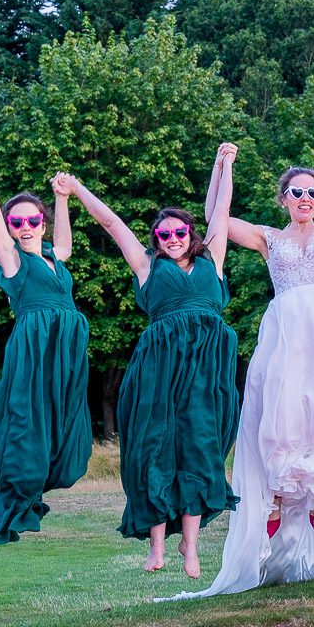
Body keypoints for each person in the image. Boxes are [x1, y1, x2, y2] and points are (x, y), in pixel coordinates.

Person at [162, 153, 314, 601]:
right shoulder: (268, 239)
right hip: (285, 336)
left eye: (312, 191)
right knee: (280, 423)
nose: (306, 198)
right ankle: (274, 514)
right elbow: (214, 217)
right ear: (284, 199)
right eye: (296, 192)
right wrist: (222, 166)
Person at [57, 144, 241, 578]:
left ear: (190, 235)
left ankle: (191, 547)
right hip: (159, 371)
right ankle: (157, 546)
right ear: (156, 241)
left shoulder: (212, 258)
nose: (173, 239)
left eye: (180, 233)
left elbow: (222, 208)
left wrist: (225, 164)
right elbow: (111, 222)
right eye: (165, 235)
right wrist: (78, 188)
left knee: (200, 449)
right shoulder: (146, 267)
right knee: (155, 448)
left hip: (206, 370)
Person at [0, 103, 92, 545]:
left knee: (65, 446)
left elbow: (64, 240)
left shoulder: (54, 258)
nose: (25, 227)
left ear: (40, 223)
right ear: (9, 228)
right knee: (26, 429)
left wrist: (63, 197)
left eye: (32, 220)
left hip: (65, 356)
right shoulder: (11, 261)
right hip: (34, 350)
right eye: (17, 222)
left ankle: (26, 479)